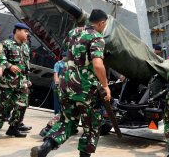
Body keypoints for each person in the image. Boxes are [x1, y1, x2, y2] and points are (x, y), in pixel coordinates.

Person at [31, 9, 111, 157]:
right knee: (91, 126)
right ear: (101, 23)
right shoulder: (97, 38)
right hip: (86, 89)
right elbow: (98, 64)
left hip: (66, 84)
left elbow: (68, 55)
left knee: (66, 121)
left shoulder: (73, 32)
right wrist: (105, 86)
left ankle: (45, 147)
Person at [0, 23, 31, 141]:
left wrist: (28, 80)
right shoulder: (6, 44)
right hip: (7, 82)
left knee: (22, 105)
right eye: (25, 31)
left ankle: (13, 128)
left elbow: (26, 66)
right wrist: (9, 66)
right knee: (1, 106)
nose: (27, 34)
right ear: (17, 31)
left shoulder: (25, 47)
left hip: (22, 82)